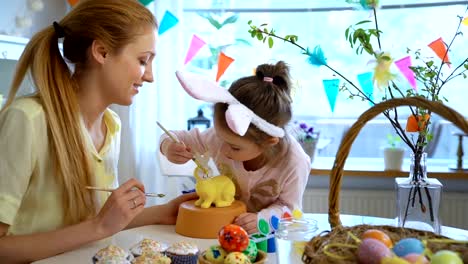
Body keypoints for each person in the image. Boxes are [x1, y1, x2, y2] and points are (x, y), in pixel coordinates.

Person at [0, 0, 196, 262]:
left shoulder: (111, 125)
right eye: (142, 60)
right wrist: (99, 227)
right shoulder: (27, 120)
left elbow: (97, 223)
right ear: (102, 51)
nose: (149, 76)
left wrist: (164, 212)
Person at [160, 61, 311, 234]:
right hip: (226, 233)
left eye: (234, 147)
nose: (222, 150)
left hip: (269, 241)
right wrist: (168, 146)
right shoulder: (218, 138)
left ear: (269, 141)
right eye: (220, 137)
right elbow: (173, 137)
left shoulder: (294, 162)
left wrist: (263, 221)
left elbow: (290, 210)